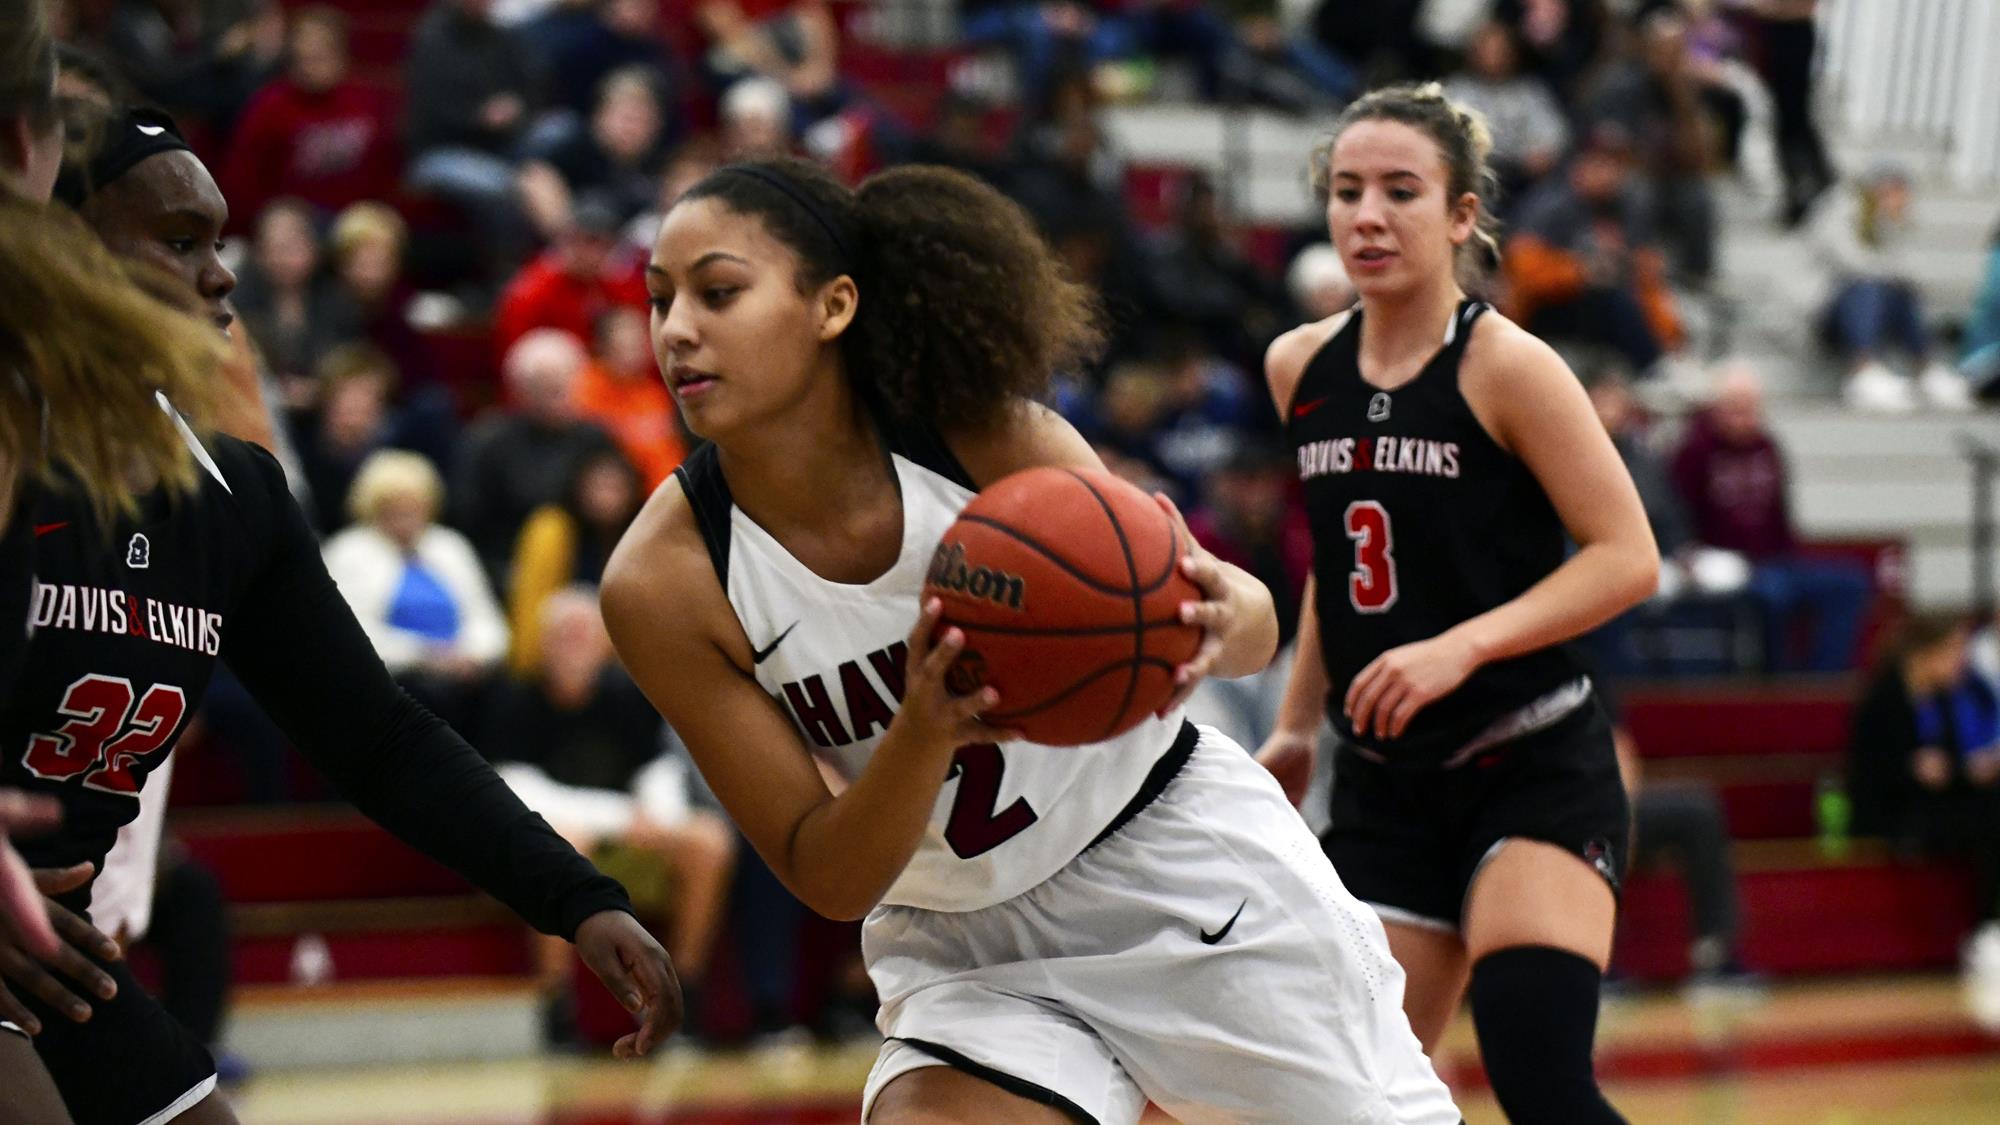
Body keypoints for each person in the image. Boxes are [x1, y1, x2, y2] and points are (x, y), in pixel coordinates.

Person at [603, 154, 1459, 1123]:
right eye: (659, 298)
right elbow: (826, 875)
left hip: (1175, 868)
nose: (675, 331)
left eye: (718, 293)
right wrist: (923, 731)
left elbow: (1248, 629)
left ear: (831, 306)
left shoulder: (979, 438)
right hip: (960, 940)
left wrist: (1214, 616)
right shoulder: (663, 582)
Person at [2, 105, 678, 1125]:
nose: (221, 275)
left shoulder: (233, 497)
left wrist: (572, 896)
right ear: (61, 256)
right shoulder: (14, 453)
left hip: (53, 958)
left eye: (219, 243)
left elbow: (380, 739)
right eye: (179, 242)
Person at [1256, 84, 1659, 1125]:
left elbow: (1625, 557)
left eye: (1399, 190)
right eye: (1346, 192)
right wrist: (1298, 723)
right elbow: (1337, 575)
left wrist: (1459, 649)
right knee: (1348, 1099)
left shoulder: (1508, 367)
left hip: (1529, 759)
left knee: (1537, 1076)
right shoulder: (1297, 365)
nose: (1367, 216)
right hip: (1387, 785)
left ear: (1461, 215)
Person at [487, 588, 735, 1044]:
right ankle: (559, 1011)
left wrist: (660, 818)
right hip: (574, 840)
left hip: (632, 840)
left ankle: (683, 998)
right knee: (557, 841)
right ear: (542, 643)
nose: (574, 645)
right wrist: (625, 820)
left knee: (710, 840)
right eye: (564, 635)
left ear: (604, 645)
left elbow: (658, 769)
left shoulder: (626, 694)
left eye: (584, 635)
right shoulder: (515, 699)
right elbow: (518, 791)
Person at [323, 450, 509, 735]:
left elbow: (486, 618)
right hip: (394, 678)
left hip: (461, 671)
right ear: (373, 508)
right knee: (426, 697)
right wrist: (425, 657)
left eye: (413, 508)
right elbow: (350, 634)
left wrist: (472, 655)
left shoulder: (450, 545)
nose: (406, 518)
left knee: (506, 694)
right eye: (394, 509)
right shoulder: (349, 552)